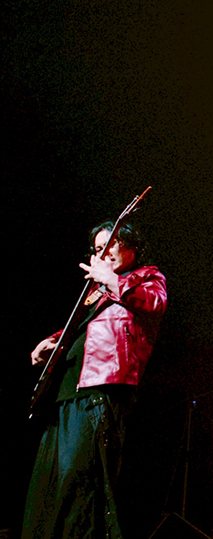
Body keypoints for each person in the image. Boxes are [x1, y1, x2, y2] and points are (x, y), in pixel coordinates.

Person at [24, 221, 168, 539]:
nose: (104, 253)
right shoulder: (96, 291)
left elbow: (154, 303)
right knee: (54, 479)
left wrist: (111, 280)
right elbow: (81, 325)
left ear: (132, 247)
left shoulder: (147, 277)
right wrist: (52, 342)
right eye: (98, 248)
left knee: (83, 477)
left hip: (102, 388)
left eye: (111, 244)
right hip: (67, 389)